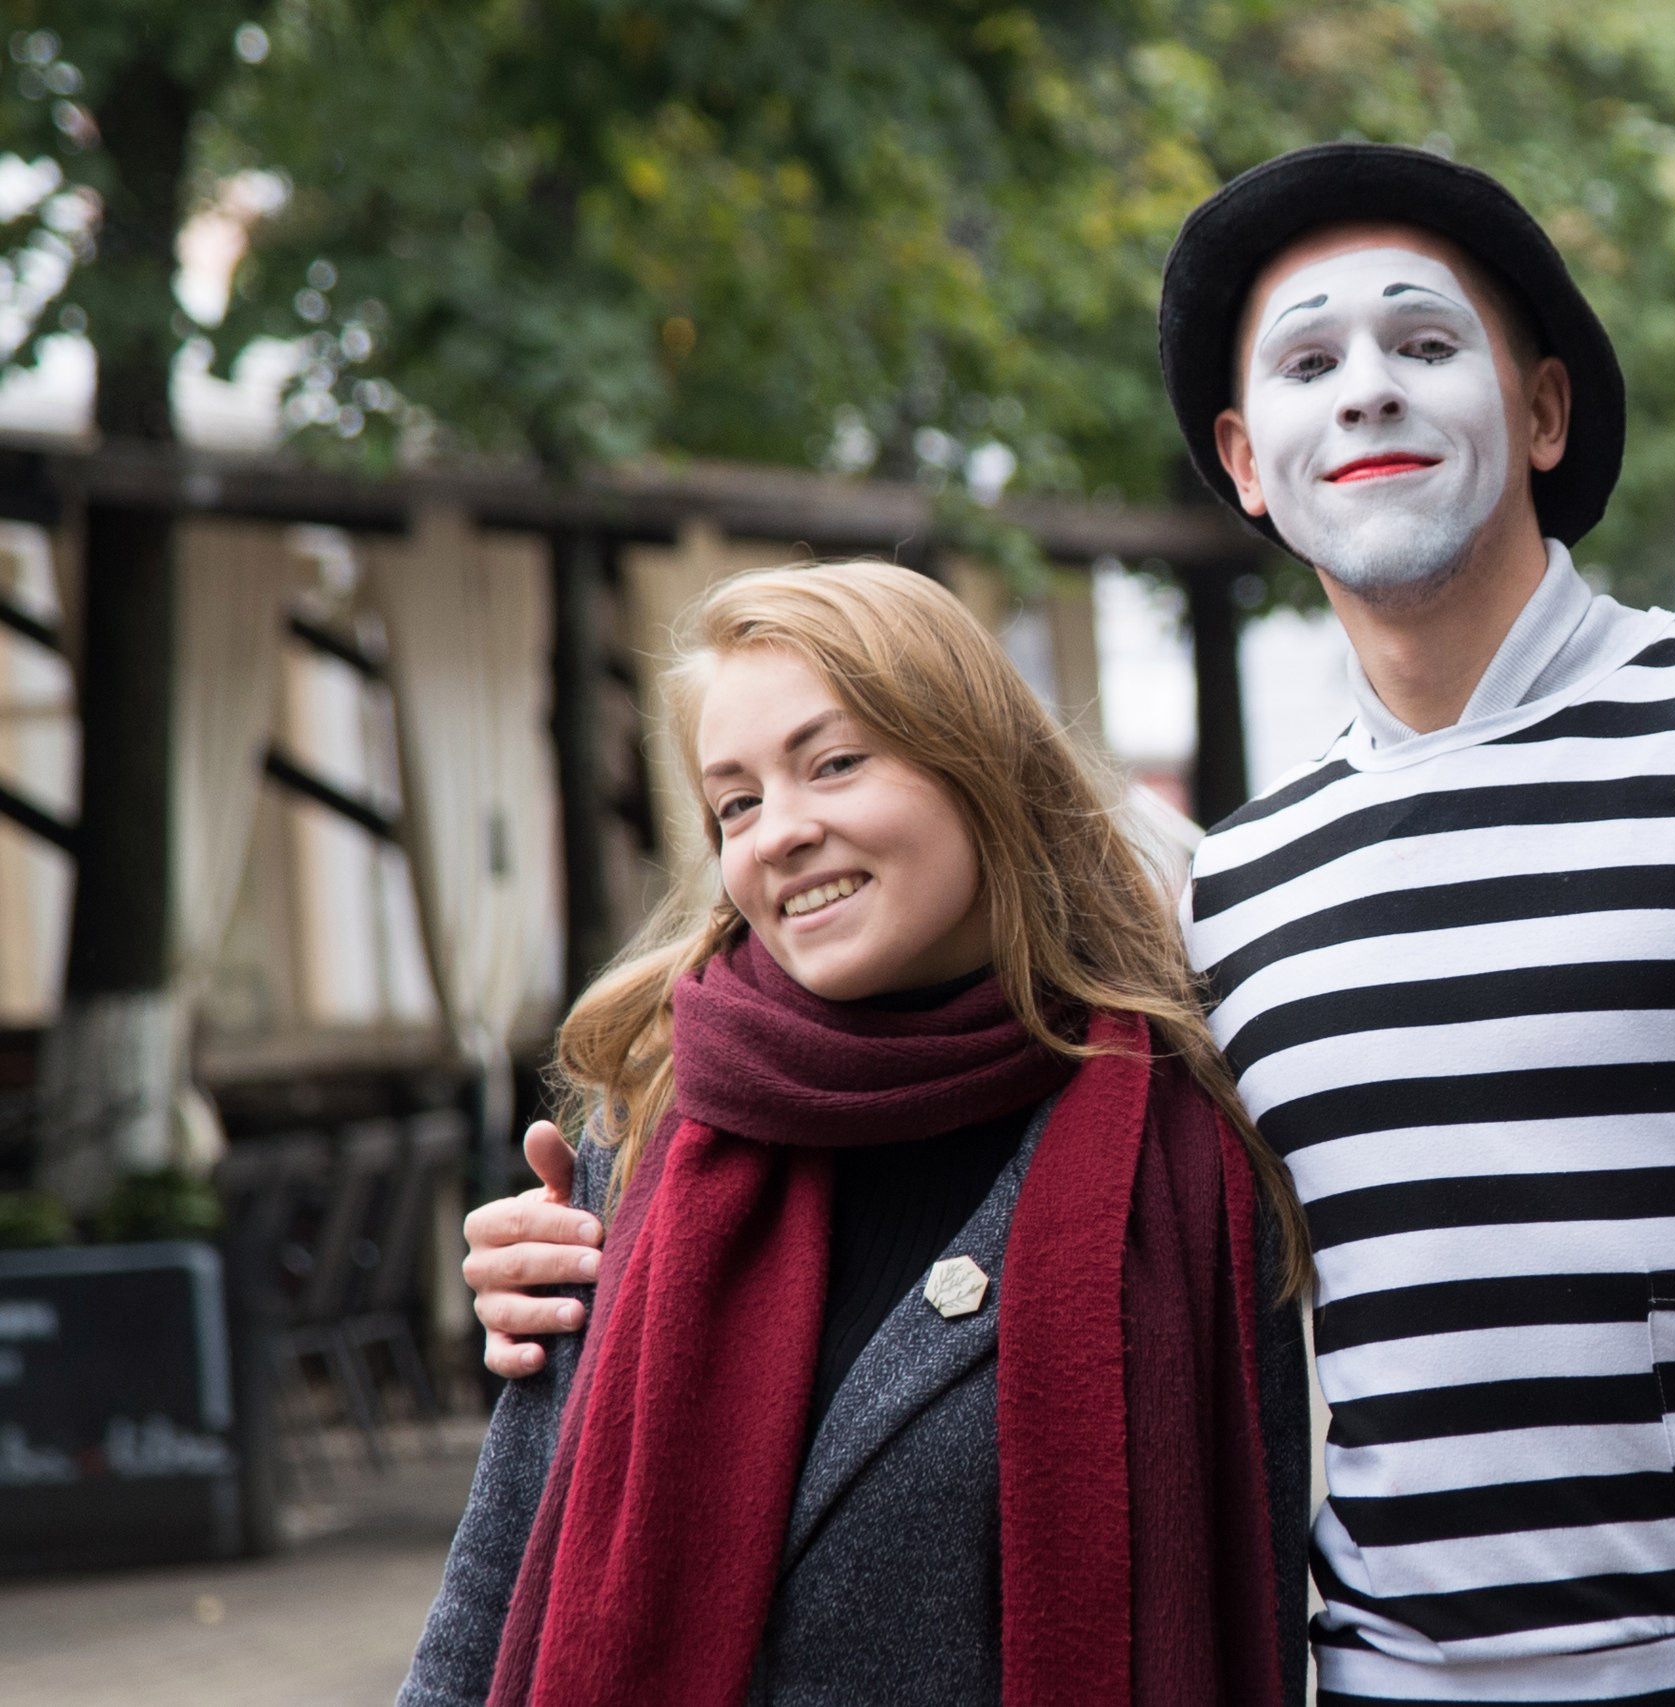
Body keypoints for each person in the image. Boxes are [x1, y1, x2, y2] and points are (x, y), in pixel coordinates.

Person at [468, 145, 1675, 1704]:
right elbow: (967, 1129)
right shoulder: (1240, 897)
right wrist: (609, 1251)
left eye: (1425, 340)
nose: (1366, 386)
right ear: (1248, 463)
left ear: (1541, 407)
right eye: (1307, 362)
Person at [402, 561, 1309, 1707]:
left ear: (977, 770)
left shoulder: (1183, 1156)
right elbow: (497, 1578)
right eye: (735, 802)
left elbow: (1252, 1593)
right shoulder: (649, 1131)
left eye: (833, 764)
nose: (778, 834)